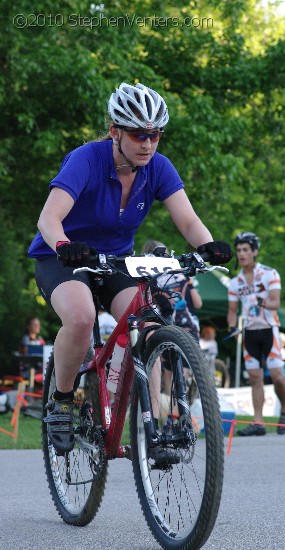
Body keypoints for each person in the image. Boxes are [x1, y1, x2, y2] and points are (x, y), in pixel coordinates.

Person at [28, 81, 232, 460]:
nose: (148, 144)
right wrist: (64, 245)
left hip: (115, 261)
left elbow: (188, 221)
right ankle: (61, 401)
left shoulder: (158, 167)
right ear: (114, 131)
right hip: (62, 256)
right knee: (82, 316)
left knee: (147, 325)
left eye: (155, 134)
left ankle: (153, 428)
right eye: (139, 134)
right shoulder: (86, 160)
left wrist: (208, 246)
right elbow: (49, 218)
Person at [227, 232, 285, 436]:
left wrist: (261, 301)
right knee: (255, 377)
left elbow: (276, 302)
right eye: (238, 250)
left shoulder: (270, 273)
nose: (241, 254)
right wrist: (232, 327)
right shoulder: (235, 282)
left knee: (278, 376)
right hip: (250, 333)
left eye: (245, 250)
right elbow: (232, 311)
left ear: (255, 251)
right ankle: (258, 422)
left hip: (269, 329)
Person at [141, 239, 202, 341]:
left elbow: (151, 312)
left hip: (168, 330)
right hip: (191, 327)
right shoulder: (183, 274)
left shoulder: (149, 282)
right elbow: (198, 303)